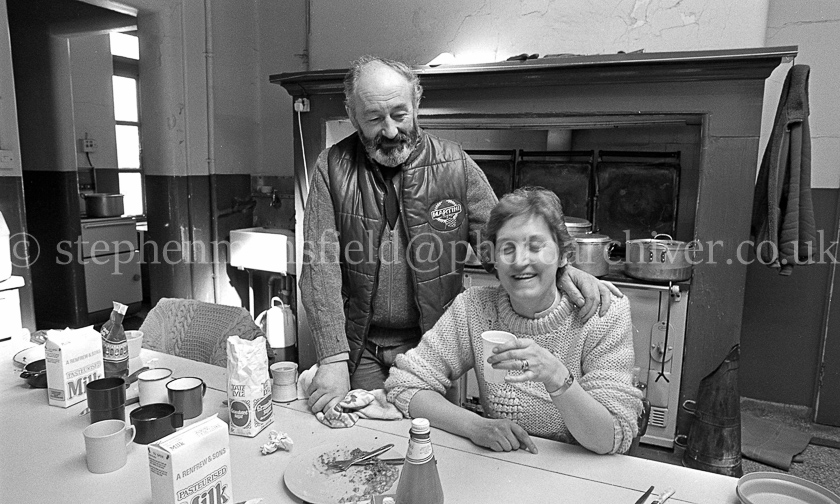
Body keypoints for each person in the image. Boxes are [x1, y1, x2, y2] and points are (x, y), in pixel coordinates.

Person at [299, 55, 621, 418]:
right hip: (361, 347)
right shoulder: (331, 167)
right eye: (374, 118)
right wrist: (331, 357)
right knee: (371, 443)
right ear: (353, 114)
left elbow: (502, 242)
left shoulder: (455, 164)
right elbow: (320, 268)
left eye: (400, 114)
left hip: (433, 344)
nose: (390, 131)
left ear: (417, 104)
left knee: (433, 444)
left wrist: (563, 272)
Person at [385, 187, 642, 455]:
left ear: (563, 254)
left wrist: (556, 377)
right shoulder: (474, 308)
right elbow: (405, 384)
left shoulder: (603, 314)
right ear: (494, 258)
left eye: (535, 246)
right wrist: (477, 426)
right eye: (508, 248)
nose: (520, 261)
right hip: (504, 467)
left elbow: (610, 437)